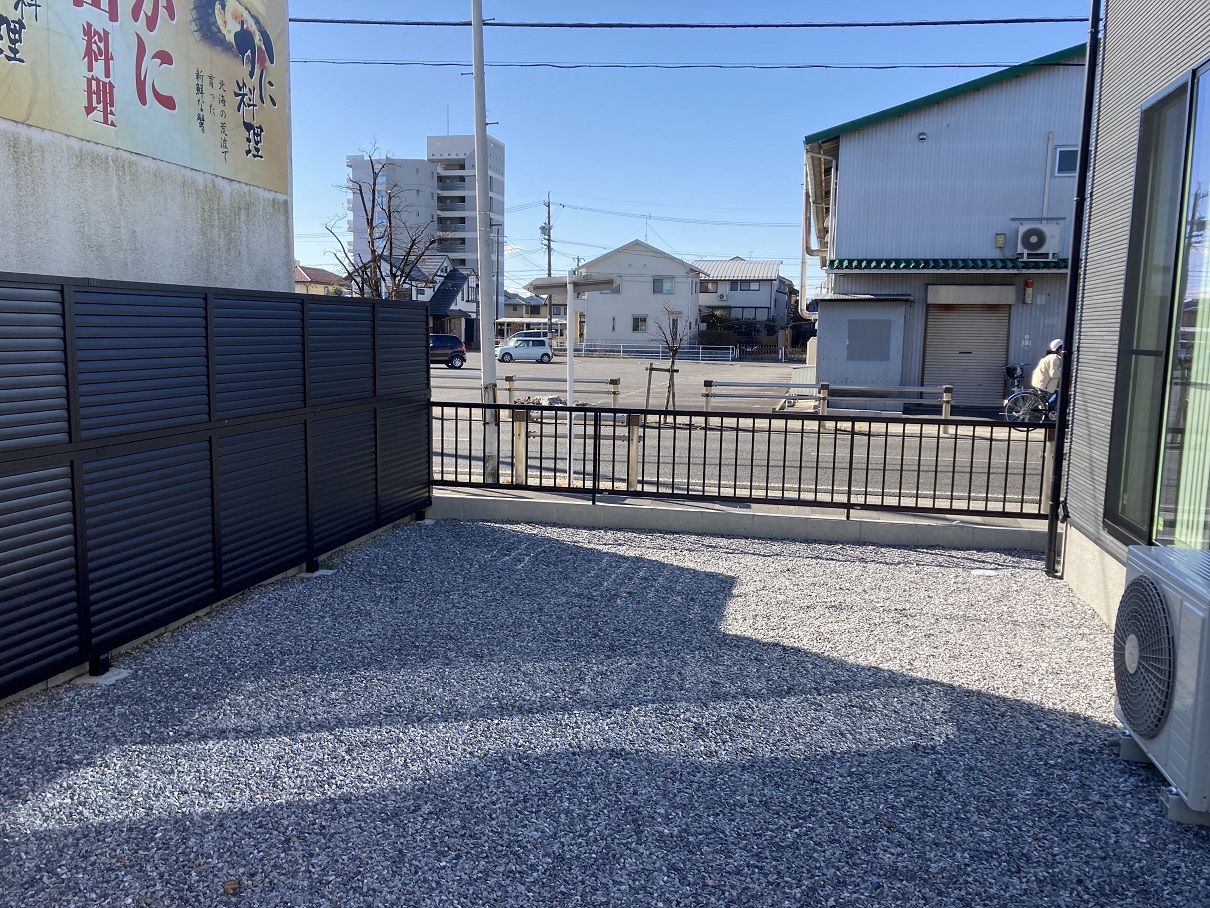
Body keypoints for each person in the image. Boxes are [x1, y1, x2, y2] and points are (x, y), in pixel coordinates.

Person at [1031, 338, 1064, 411]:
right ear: (1058, 349)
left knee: (1053, 396)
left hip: (1041, 381)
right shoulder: (1054, 358)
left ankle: (1046, 410)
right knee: (1059, 395)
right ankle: (1048, 411)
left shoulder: (1051, 356)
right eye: (1062, 349)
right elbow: (1053, 373)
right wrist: (1064, 372)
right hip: (1044, 383)